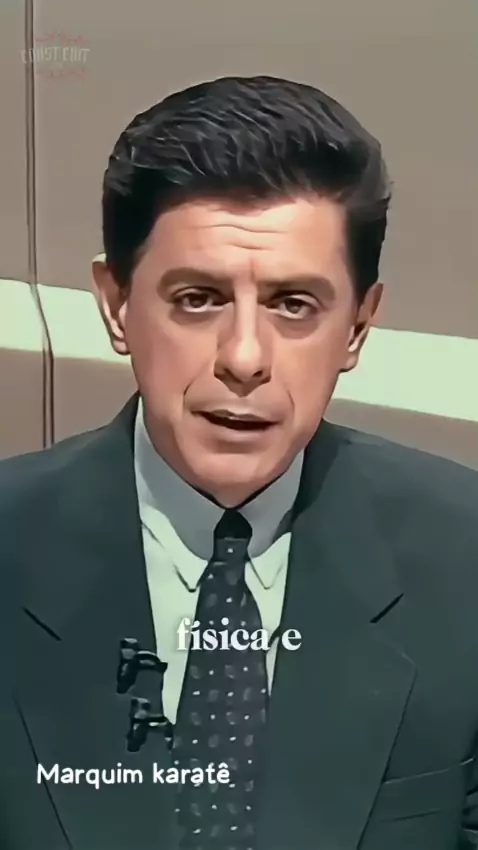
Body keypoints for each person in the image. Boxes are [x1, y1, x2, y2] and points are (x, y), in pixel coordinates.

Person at [0, 75, 477, 850]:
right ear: (116, 304)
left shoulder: (465, 561)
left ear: (359, 327)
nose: (245, 357)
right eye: (198, 299)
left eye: (294, 305)